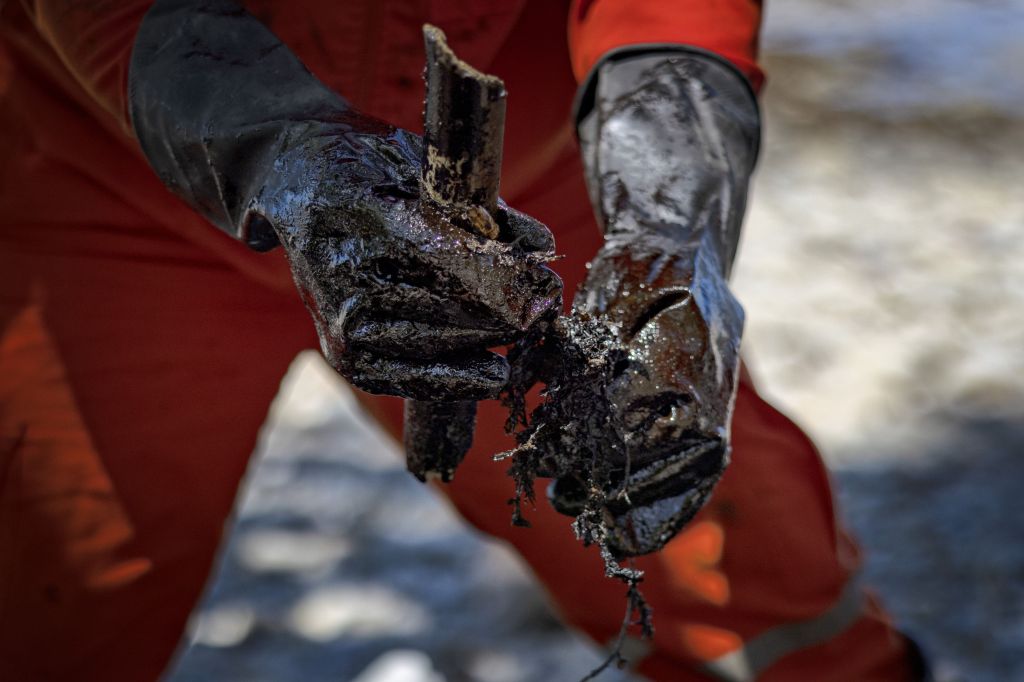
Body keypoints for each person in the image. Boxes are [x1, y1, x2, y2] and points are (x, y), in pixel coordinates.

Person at [0, 1, 925, 679]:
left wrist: (673, 232)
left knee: (706, 524)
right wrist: (288, 158)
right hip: (105, 186)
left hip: (525, 203)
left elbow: (671, 12)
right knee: (53, 580)